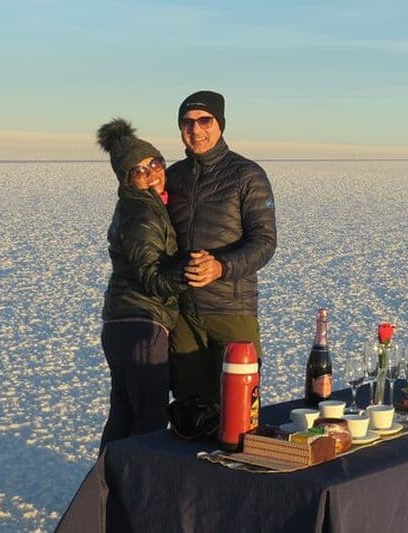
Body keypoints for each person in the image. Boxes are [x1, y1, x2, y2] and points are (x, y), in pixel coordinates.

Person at [166, 90, 277, 405]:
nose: (196, 130)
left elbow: (265, 241)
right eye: (187, 123)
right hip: (184, 314)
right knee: (190, 408)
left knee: (238, 409)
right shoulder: (173, 177)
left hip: (232, 311)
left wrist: (220, 267)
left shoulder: (247, 175)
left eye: (205, 120)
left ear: (221, 124)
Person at [96, 118, 188, 452]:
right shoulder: (141, 214)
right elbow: (153, 278)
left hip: (122, 324)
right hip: (141, 326)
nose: (151, 173)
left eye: (155, 163)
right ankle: (131, 494)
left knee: (123, 415)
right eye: (139, 170)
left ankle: (105, 492)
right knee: (148, 420)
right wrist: (192, 269)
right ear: (126, 178)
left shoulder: (148, 206)